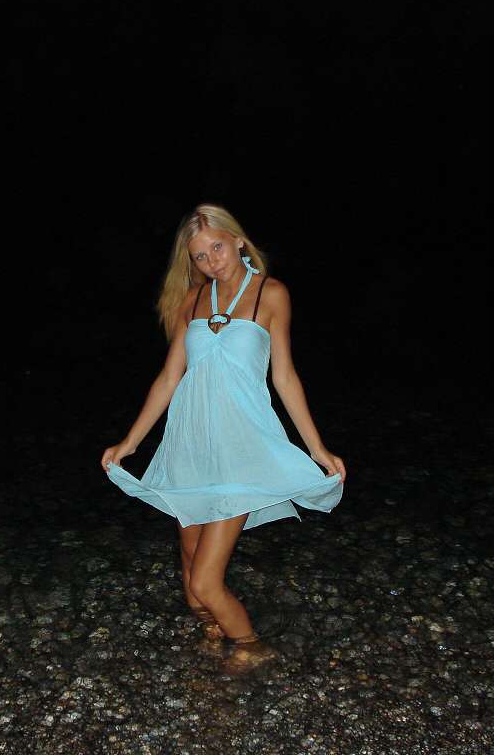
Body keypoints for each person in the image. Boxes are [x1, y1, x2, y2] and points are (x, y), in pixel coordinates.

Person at [101, 203, 346, 675]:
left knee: (206, 583)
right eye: (199, 255)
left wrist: (317, 448)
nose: (212, 260)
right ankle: (212, 646)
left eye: (217, 247)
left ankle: (253, 649)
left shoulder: (271, 294)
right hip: (190, 449)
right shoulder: (192, 301)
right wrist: (129, 442)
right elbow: (169, 377)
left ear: (238, 241)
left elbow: (285, 377)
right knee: (191, 578)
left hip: (241, 451)